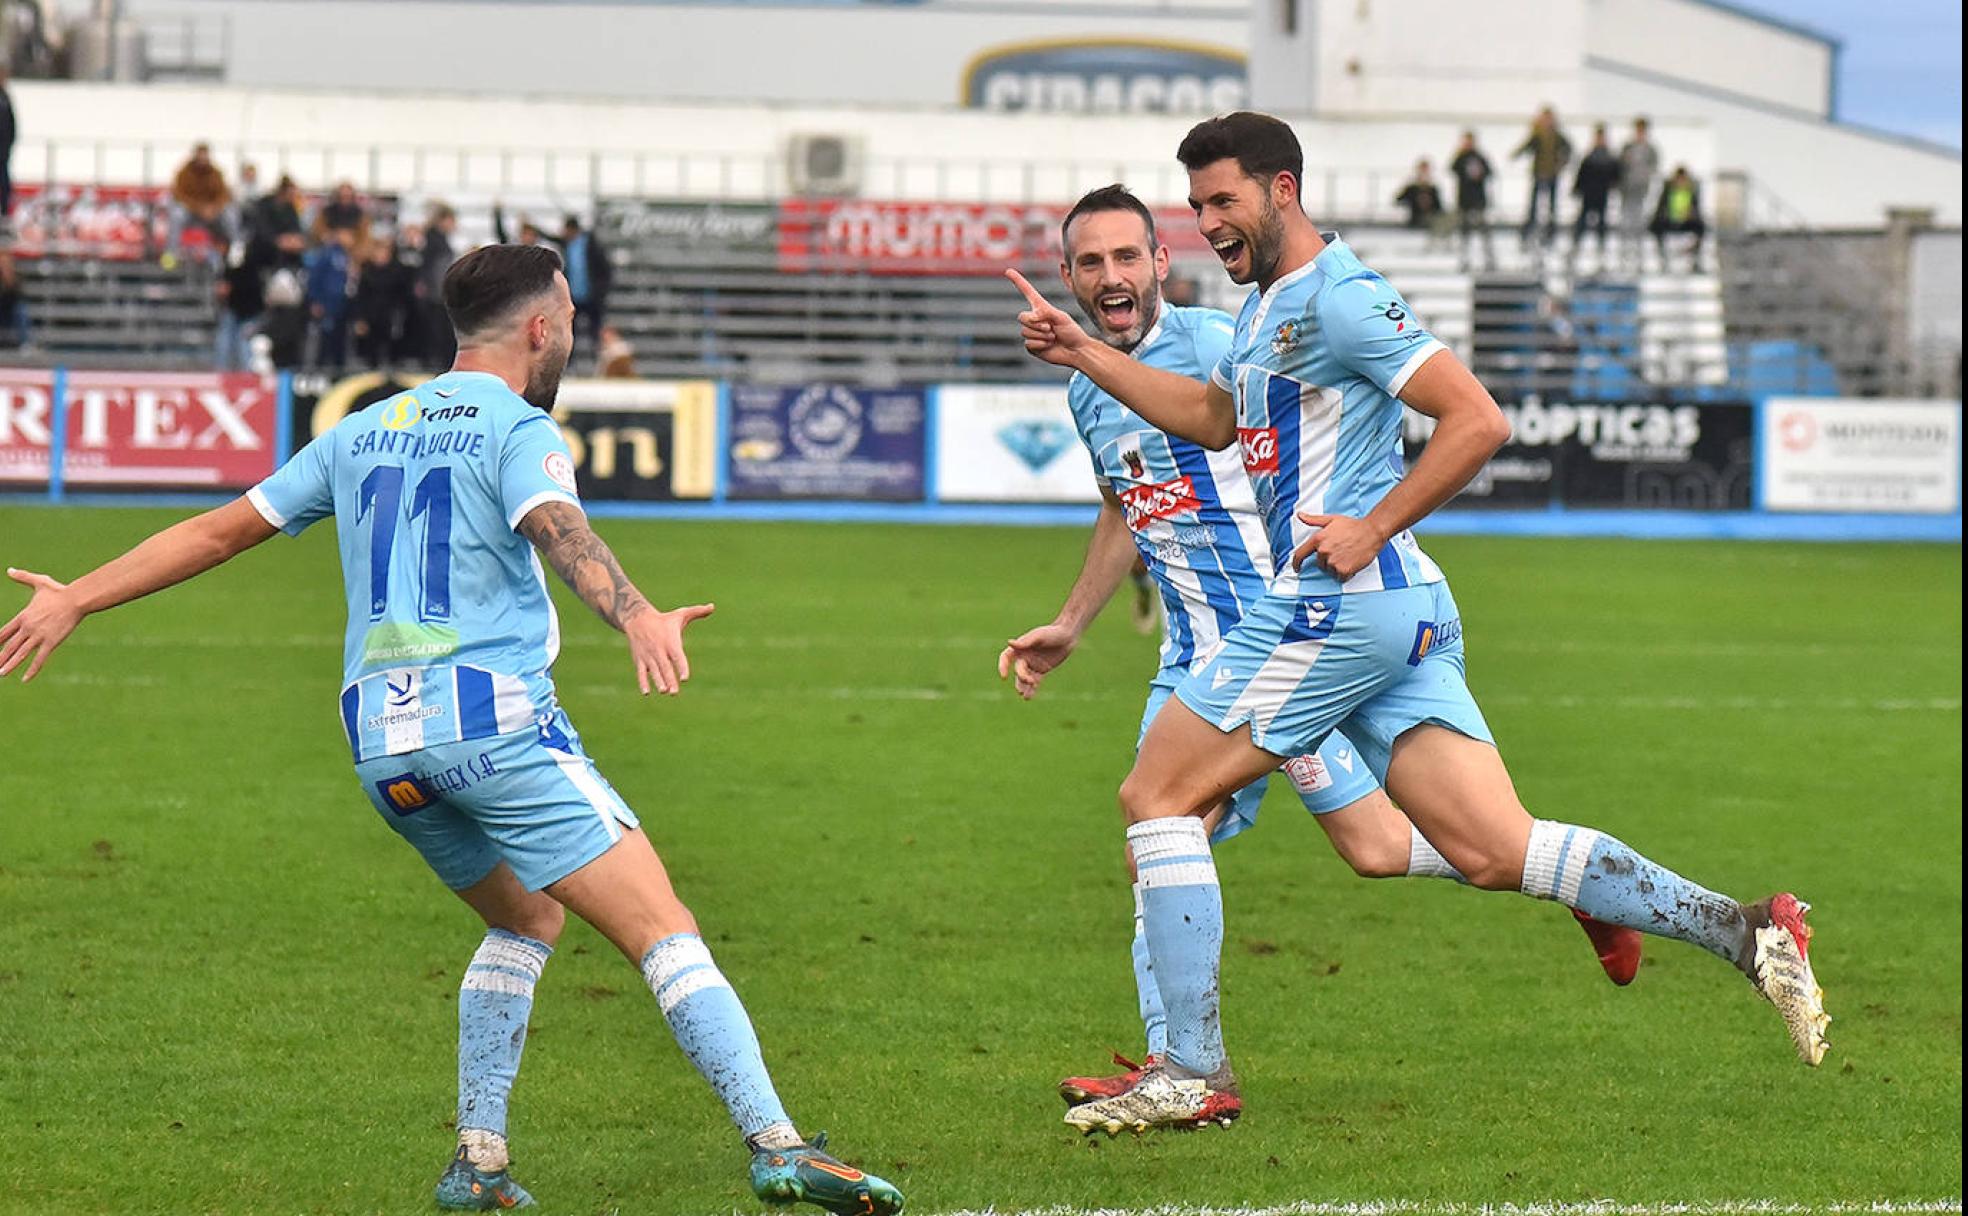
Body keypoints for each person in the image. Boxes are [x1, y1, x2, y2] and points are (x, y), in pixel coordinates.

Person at [0, 242, 904, 1216]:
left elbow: (220, 528)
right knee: (662, 928)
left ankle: (479, 1160)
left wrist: (77, 595)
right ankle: (776, 1145)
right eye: (570, 317)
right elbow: (559, 526)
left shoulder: (363, 428)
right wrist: (638, 614)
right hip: (491, 724)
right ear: (540, 328)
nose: (573, 334)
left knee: (527, 917)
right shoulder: (517, 426)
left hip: (381, 742)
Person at [1005, 110, 1828, 1135]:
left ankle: (1191, 1069)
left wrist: (1371, 525)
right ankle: (1747, 931)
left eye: (1222, 200)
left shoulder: (1340, 296)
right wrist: (1084, 353)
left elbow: (1478, 418)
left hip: (1336, 605)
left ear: (1282, 190)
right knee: (1489, 848)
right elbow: (1211, 421)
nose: (1208, 221)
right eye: (1197, 204)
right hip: (1394, 608)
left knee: (1155, 796)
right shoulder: (1261, 313)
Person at [1000, 184, 1641, 1112]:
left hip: (1284, 646)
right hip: (1192, 656)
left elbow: (1294, 441)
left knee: (1181, 830)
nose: (1111, 276)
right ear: (1067, 275)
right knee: (1351, 846)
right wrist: (1072, 621)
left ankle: (1188, 1071)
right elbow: (1122, 504)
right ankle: (1181, 1063)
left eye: (1127, 256)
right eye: (1090, 262)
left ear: (1159, 263)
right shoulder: (1085, 390)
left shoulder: (1220, 345)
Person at [552, 215, 613, 358]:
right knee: (570, 331)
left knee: (594, 331)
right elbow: (552, 238)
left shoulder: (591, 244)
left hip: (591, 297)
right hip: (573, 297)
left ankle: (596, 359)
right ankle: (570, 361)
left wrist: (601, 290)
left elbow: (605, 269)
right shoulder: (567, 244)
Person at [1513, 107, 1571, 251]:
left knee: (1551, 208)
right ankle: (1527, 235)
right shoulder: (1537, 135)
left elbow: (1568, 150)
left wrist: (1561, 165)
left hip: (1552, 175)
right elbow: (1526, 146)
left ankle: (1549, 236)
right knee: (1533, 208)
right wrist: (1516, 155)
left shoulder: (1557, 136)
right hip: (1539, 174)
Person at [167, 142, 232, 265]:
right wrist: (199, 208)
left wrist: (214, 208)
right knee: (177, 214)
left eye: (205, 155)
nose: (202, 158)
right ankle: (171, 254)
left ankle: (233, 251)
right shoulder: (184, 173)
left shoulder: (216, 173)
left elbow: (224, 194)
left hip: (212, 213)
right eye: (200, 155)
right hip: (191, 213)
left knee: (230, 214)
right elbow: (179, 194)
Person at [304, 227, 354, 370]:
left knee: (340, 340)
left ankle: (339, 369)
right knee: (325, 340)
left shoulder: (346, 255)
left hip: (341, 305)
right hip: (327, 304)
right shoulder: (327, 254)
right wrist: (315, 301)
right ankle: (320, 370)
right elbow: (315, 278)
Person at [1570, 123, 1621, 264]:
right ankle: (1577, 245)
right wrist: (1577, 189)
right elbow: (1581, 174)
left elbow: (1615, 176)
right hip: (1589, 193)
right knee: (1582, 220)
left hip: (1602, 193)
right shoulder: (1590, 157)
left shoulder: (1609, 158)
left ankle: (1601, 248)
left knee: (1601, 221)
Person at [1449, 130, 1495, 272]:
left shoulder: (1480, 157)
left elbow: (1490, 172)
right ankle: (1464, 261)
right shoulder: (1460, 157)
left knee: (1484, 232)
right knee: (1464, 233)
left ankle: (1489, 260)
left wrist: (1480, 174)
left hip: (1478, 200)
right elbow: (1452, 169)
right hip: (1464, 201)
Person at [1618, 117, 1660, 269]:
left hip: (1641, 187)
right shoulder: (1627, 147)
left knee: (1639, 216)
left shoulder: (1650, 149)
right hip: (1627, 187)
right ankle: (1624, 250)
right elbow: (1620, 166)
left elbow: (1654, 167)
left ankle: (1638, 251)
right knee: (1626, 217)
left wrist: (1645, 176)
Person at [1651, 165, 1708, 273]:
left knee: (1701, 228)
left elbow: (1696, 209)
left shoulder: (1691, 191)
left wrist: (1691, 214)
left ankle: (1696, 260)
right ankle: (1663, 259)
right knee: (1655, 227)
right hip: (1669, 221)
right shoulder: (1667, 191)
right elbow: (1660, 209)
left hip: (1687, 221)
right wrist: (1666, 214)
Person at [1393, 159, 1450, 249]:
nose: (1424, 174)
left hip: (1432, 220)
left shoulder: (1433, 189)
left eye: (1426, 171)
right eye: (1422, 170)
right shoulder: (1411, 188)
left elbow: (1439, 208)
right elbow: (1397, 200)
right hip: (1416, 219)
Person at [0, 67, 16, 226]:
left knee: (5, 183)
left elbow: (12, 124)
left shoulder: (5, 98)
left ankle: (4, 213)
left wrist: (9, 144)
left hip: (3, 152)